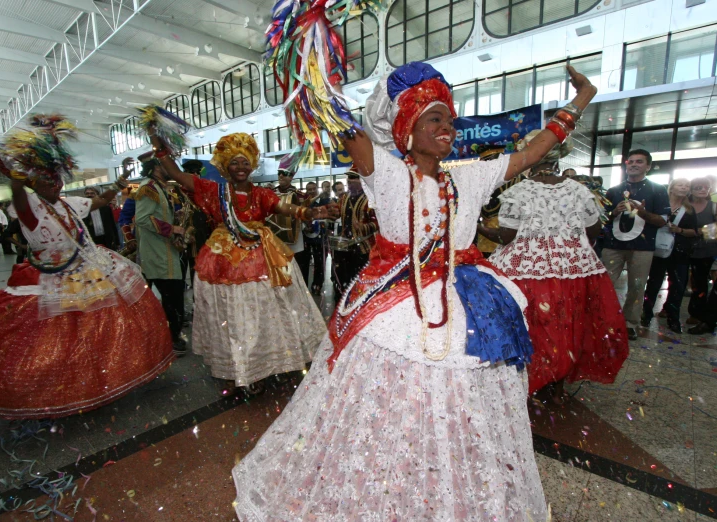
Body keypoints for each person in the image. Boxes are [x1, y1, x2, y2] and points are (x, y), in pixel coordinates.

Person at [232, 62, 597, 520]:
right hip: (395, 308)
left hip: (468, 305)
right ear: (407, 129)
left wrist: (580, 100)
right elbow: (347, 130)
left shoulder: (469, 176)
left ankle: (450, 485)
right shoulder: (385, 173)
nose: (449, 127)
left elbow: (530, 152)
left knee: (462, 406)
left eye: (449, 119)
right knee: (392, 409)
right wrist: (315, 69)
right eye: (435, 119)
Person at [0, 115, 174, 419]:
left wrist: (121, 181)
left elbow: (100, 202)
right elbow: (18, 192)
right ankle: (59, 386)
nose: (54, 183)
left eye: (56, 177)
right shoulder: (29, 205)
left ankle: (98, 375)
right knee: (54, 334)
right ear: (36, 181)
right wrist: (17, 170)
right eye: (47, 179)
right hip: (50, 274)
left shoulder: (67, 202)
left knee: (98, 325)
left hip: (89, 267)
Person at [149, 131, 329, 394]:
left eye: (245, 162)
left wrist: (308, 211)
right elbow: (178, 175)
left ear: (253, 164)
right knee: (231, 314)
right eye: (235, 162)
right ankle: (237, 368)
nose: (241, 167)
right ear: (224, 166)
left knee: (267, 309)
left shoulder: (262, 194)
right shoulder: (213, 191)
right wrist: (160, 149)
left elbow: (283, 207)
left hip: (263, 255)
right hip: (223, 257)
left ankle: (268, 361)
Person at [488, 132, 628, 401]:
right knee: (567, 324)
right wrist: (566, 241)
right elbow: (594, 229)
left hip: (525, 272)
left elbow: (507, 237)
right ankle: (557, 385)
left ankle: (530, 379)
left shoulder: (518, 191)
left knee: (533, 325)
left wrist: (480, 227)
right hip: (572, 270)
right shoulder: (578, 189)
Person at [601, 149, 670, 340]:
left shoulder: (658, 190)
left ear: (647, 166)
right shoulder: (614, 190)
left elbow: (663, 220)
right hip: (613, 246)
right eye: (630, 161)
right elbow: (601, 219)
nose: (633, 164)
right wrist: (614, 212)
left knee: (637, 287)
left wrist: (643, 213)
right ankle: (601, 320)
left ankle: (630, 322)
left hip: (642, 248)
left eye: (639, 162)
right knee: (605, 283)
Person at [134, 152, 188, 356]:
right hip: (157, 255)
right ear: (156, 167)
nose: (171, 168)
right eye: (166, 164)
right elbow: (142, 218)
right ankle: (171, 339)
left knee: (173, 298)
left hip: (165, 253)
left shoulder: (159, 188)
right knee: (172, 298)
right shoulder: (148, 188)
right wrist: (172, 229)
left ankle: (169, 337)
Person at [642, 178, 698, 333]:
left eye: (687, 186)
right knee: (654, 283)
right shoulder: (660, 205)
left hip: (680, 252)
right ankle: (646, 314)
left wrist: (679, 230)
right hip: (658, 250)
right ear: (672, 188)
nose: (684, 188)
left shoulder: (689, 209)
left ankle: (673, 318)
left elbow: (695, 232)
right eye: (681, 185)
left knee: (677, 286)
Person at [331, 170, 377, 304]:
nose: (349, 181)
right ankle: (343, 303)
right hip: (345, 246)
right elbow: (338, 213)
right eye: (348, 178)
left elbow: (377, 223)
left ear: (362, 180)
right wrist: (331, 213)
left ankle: (359, 303)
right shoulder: (344, 198)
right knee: (342, 277)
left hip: (363, 248)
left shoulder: (370, 199)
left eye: (353, 177)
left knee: (360, 278)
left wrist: (363, 227)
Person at [475, 144, 526, 258]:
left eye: (492, 162)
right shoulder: (478, 182)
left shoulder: (520, 181)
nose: (488, 167)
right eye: (485, 163)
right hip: (483, 247)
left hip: (513, 247)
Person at [685, 177, 717, 327]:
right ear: (691, 190)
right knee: (679, 280)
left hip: (705, 250)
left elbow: (715, 230)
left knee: (700, 282)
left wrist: (695, 232)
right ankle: (669, 308)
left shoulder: (713, 206)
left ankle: (696, 313)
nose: (703, 190)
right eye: (699, 187)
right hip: (683, 248)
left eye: (706, 187)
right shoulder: (685, 205)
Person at [268, 162, 308, 276]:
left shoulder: (300, 196)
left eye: (284, 173)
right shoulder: (270, 194)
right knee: (278, 271)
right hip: (275, 239)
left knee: (296, 272)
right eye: (279, 173)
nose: (280, 176)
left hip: (294, 239)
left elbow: (306, 217)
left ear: (291, 177)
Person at [82, 186, 120, 250]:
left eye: (92, 193)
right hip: (91, 241)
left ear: (97, 195)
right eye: (87, 193)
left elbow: (112, 225)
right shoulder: (82, 210)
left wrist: (117, 242)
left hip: (106, 240)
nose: (89, 195)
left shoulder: (106, 208)